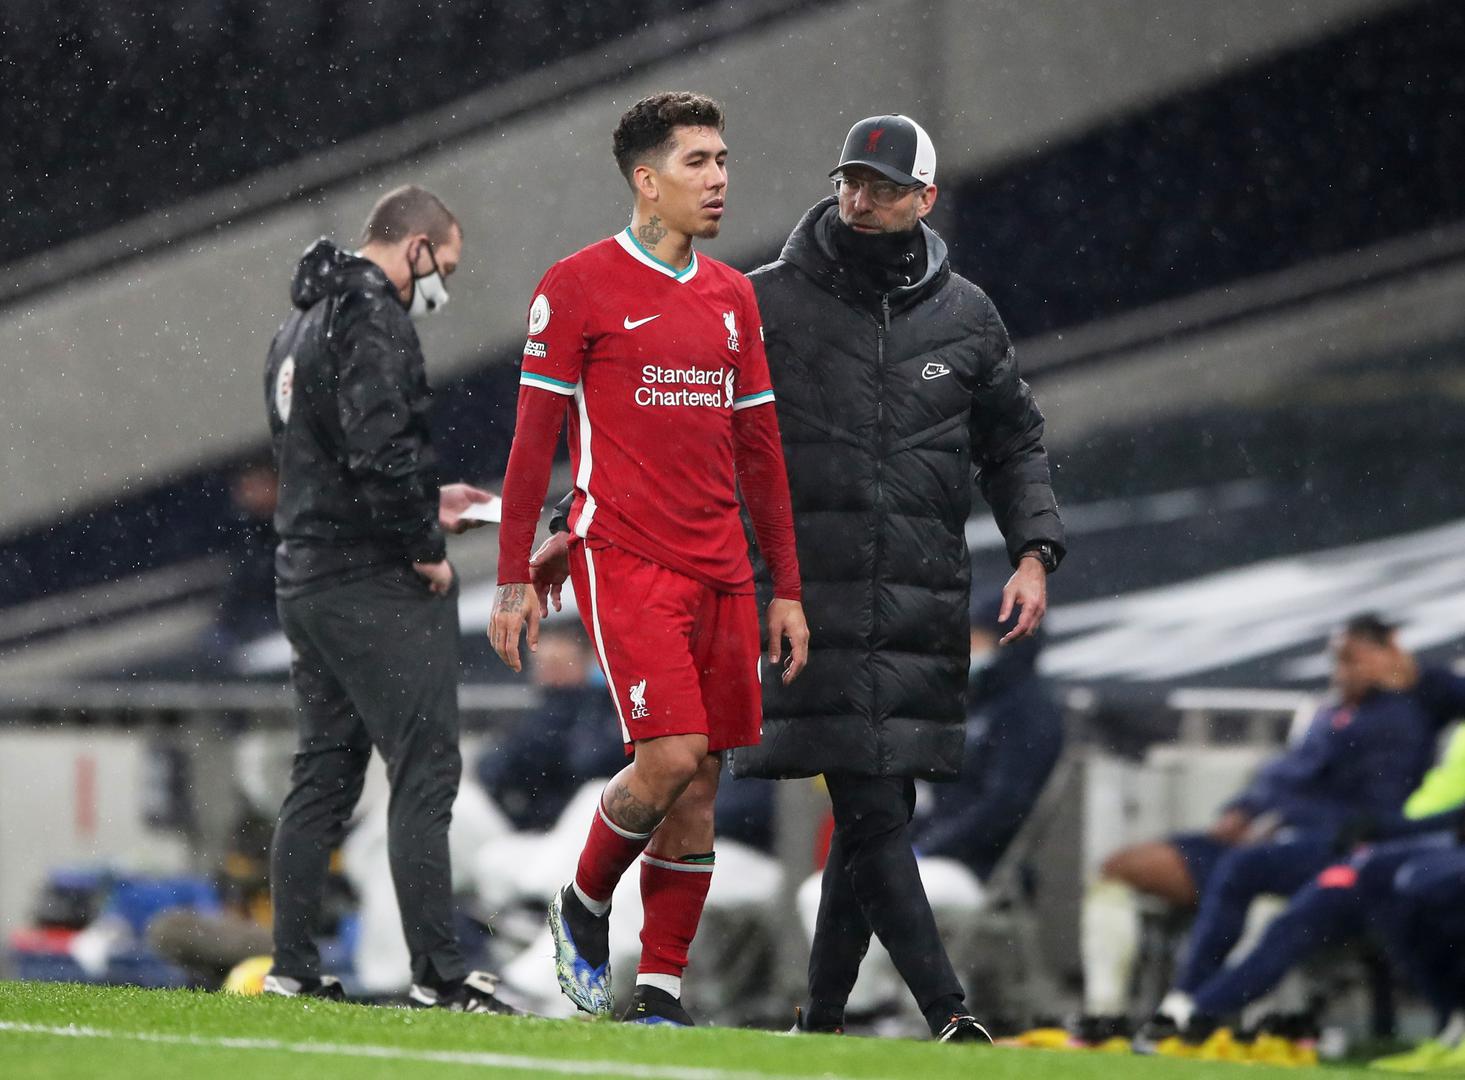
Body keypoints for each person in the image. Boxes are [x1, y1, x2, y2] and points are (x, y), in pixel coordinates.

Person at [488, 92, 808, 1027]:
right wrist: (514, 574)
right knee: (666, 758)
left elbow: (762, 454)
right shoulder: (578, 285)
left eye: (722, 159)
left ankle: (661, 995)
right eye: (698, 162)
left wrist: (784, 587)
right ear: (646, 179)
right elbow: (528, 445)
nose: (718, 179)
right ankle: (583, 903)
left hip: (723, 570)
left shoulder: (732, 296)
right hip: (622, 554)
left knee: (702, 782)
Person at [262, 184, 511, 1012]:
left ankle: (292, 969)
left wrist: (422, 498)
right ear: (415, 247)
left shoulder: (301, 320)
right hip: (368, 580)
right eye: (445, 262)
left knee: (324, 774)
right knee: (426, 768)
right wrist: (424, 543)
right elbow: (379, 449)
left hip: (306, 574)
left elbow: (331, 459)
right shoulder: (371, 313)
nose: (442, 280)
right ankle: (439, 974)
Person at [1076, 615, 1457, 1048]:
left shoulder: (1418, 702)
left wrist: (1412, 672)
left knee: (1260, 892)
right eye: (1336, 660)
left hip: (1342, 846)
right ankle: (1109, 1011)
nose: (1341, 671)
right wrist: (1247, 807)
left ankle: (1192, 1011)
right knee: (1120, 869)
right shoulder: (1330, 713)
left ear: (1389, 652)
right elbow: (1286, 777)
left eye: (1352, 659)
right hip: (1282, 839)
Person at [911, 589, 1065, 881]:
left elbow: (1004, 806)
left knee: (871, 896)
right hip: (938, 856)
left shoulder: (1028, 712)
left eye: (979, 638)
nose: (968, 647)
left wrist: (931, 848)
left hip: (975, 868)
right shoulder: (979, 703)